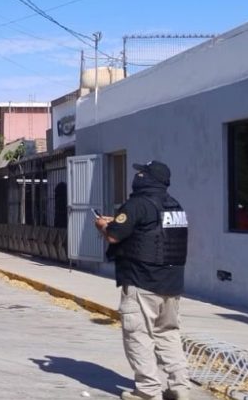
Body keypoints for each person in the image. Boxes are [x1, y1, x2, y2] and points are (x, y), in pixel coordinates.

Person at [95, 160, 192, 400]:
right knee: (168, 333)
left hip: (142, 281)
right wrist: (118, 221)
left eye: (141, 172)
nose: (137, 175)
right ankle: (180, 387)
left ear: (148, 179)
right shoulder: (174, 205)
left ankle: (148, 391)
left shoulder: (137, 204)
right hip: (171, 284)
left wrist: (102, 225)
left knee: (138, 335)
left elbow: (114, 236)